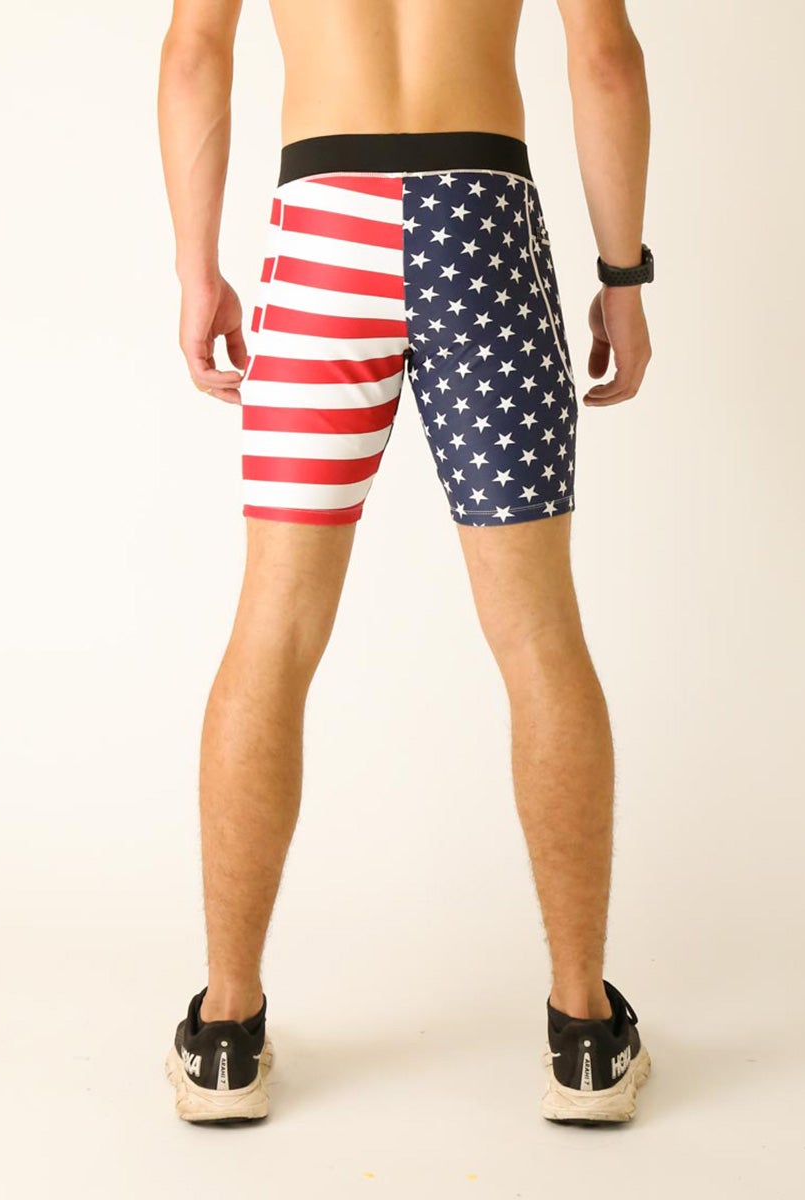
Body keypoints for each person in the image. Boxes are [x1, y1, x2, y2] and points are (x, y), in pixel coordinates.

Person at [157, 0, 654, 1124]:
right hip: (481, 219)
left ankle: (226, 1034)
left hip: (322, 225)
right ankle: (584, 1035)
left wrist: (197, 270)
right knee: (538, 632)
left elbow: (193, 54)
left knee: (273, 627)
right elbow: (606, 60)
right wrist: (624, 276)